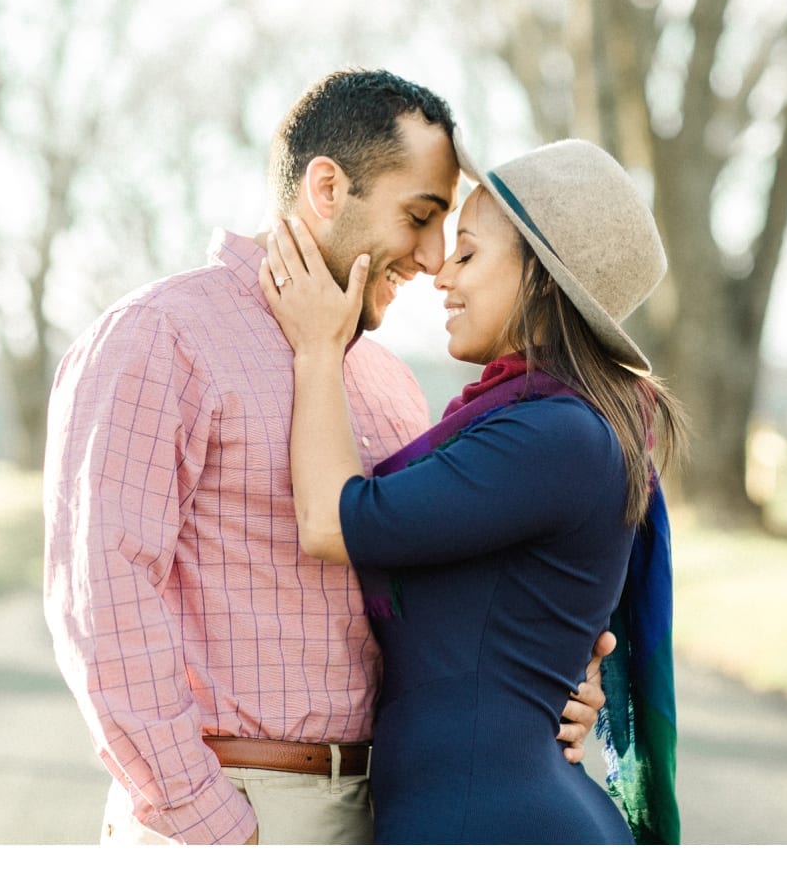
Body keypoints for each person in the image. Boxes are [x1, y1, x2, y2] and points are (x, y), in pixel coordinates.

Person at [41, 69, 613, 846]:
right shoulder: (159, 337)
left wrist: (557, 679)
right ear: (326, 187)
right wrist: (215, 828)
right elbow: (102, 601)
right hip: (236, 809)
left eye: (451, 231)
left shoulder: (388, 385)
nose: (433, 255)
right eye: (420, 215)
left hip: (385, 811)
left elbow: (458, 594)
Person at [259, 133, 685, 844]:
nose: (441, 275)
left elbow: (335, 520)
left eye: (467, 252)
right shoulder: (544, 424)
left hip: (490, 822)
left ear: (542, 275)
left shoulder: (555, 436)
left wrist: (317, 347)